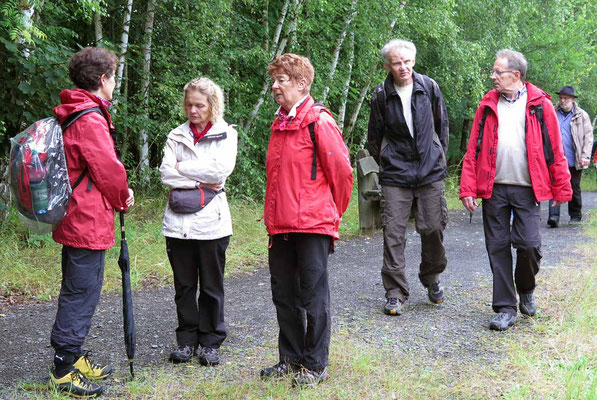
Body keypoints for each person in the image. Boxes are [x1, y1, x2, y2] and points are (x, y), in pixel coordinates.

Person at [460, 49, 572, 331]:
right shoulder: (487, 105)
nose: (493, 76)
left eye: (498, 72)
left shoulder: (540, 105)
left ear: (516, 75)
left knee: (529, 245)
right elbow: (473, 150)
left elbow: (555, 150)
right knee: (497, 247)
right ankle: (505, 308)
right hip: (493, 189)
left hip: (527, 189)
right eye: (494, 72)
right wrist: (468, 187)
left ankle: (526, 287)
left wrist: (561, 190)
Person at [260, 53, 353, 387]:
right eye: (274, 80)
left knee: (313, 296)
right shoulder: (279, 122)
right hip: (281, 224)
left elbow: (343, 175)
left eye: (281, 80)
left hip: (312, 225)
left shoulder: (319, 122)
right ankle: (290, 358)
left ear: (301, 83)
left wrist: (329, 217)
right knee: (283, 294)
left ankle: (315, 364)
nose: (274, 87)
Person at [50, 47, 135, 397]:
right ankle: (64, 368)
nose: (114, 83)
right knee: (81, 290)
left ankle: (74, 354)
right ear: (102, 79)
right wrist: (123, 195)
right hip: (85, 216)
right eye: (113, 77)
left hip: (81, 214)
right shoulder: (88, 117)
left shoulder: (79, 111)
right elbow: (107, 168)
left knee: (84, 286)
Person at [367, 39, 449, 316]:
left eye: (406, 61)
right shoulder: (381, 95)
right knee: (393, 232)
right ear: (388, 65)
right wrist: (388, 162)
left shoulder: (429, 87)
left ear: (413, 61)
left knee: (433, 228)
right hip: (395, 175)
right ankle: (395, 292)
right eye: (396, 62)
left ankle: (431, 278)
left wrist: (436, 156)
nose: (402, 67)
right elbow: (374, 138)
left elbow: (441, 126)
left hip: (429, 172)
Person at [159, 77, 237, 367]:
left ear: (212, 105)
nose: (193, 110)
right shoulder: (175, 135)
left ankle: (211, 342)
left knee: (212, 287)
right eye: (189, 104)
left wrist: (183, 170)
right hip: (178, 225)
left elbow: (220, 171)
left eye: (200, 105)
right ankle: (186, 341)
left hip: (212, 225)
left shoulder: (226, 134)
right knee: (184, 287)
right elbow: (166, 174)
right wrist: (199, 177)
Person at [547, 86, 593, 227]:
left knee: (574, 186)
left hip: (575, 157)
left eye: (566, 98)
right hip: (556, 158)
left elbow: (588, 137)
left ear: (572, 100)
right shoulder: (553, 112)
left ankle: (575, 215)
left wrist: (585, 156)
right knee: (555, 185)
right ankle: (553, 216)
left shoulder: (582, 115)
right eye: (561, 97)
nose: (562, 100)